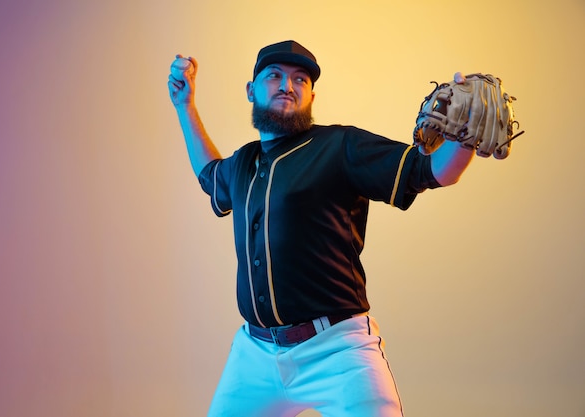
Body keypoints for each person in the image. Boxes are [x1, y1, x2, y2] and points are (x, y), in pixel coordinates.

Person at [167, 40, 474, 417]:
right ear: (251, 90)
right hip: (256, 354)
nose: (288, 85)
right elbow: (209, 175)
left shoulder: (339, 146)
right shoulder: (243, 162)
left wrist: (465, 139)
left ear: (312, 94)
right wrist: (186, 107)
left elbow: (429, 171)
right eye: (275, 76)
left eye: (300, 79)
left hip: (336, 349)